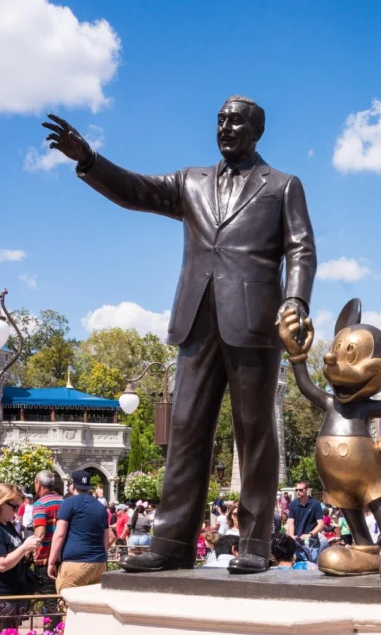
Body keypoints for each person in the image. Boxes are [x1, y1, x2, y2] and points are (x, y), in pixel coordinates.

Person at [46, 96, 317, 577]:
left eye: (235, 121)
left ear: (256, 131)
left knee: (254, 433)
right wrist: (89, 160)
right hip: (196, 318)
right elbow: (135, 190)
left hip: (255, 321)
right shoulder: (191, 181)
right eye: (219, 120)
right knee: (187, 430)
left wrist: (294, 301)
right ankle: (171, 543)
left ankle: (254, 543)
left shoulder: (282, 185)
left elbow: (301, 249)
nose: (225, 127)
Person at [47, 470, 111, 592]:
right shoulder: (101, 507)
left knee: (67, 606)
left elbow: (60, 534)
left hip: (75, 563)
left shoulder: (69, 503)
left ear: (73, 485)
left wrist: (51, 562)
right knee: (93, 608)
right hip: (98, 563)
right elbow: (106, 537)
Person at [31, 470, 63, 595]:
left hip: (45, 557)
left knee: (48, 599)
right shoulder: (63, 501)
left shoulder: (40, 504)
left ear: (38, 484)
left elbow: (40, 533)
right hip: (62, 556)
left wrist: (29, 550)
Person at [286, 481, 324, 561]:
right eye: (296, 490)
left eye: (300, 490)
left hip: (312, 543)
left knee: (312, 569)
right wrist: (291, 536)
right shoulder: (293, 504)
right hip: (297, 543)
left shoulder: (315, 504)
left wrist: (309, 535)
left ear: (307, 490)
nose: (298, 492)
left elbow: (321, 524)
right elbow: (290, 522)